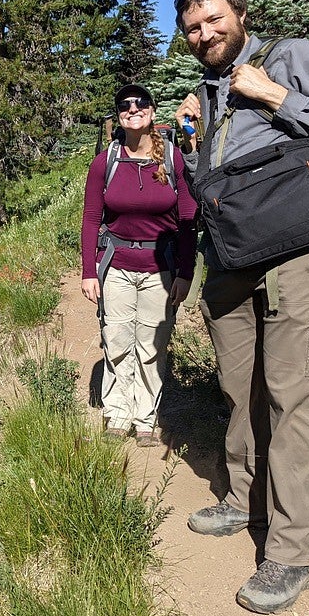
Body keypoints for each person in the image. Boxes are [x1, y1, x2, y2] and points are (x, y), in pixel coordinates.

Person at [173, 0, 309, 614]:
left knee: (294, 397)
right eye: (193, 28)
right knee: (240, 389)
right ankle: (244, 498)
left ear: (239, 12)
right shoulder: (202, 94)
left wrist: (276, 96)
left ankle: (292, 552)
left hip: (297, 253)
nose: (205, 33)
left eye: (213, 20)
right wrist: (186, 136)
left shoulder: (289, 58)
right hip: (231, 257)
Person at [81, 84, 197, 447]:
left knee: (152, 343)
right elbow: (90, 219)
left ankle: (145, 416)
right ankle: (117, 412)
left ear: (152, 110)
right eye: (126, 105)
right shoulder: (106, 162)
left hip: (160, 269)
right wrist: (88, 271)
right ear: (118, 116)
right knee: (115, 339)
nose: (134, 109)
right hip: (116, 265)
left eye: (141, 103)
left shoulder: (173, 159)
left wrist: (185, 272)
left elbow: (188, 220)